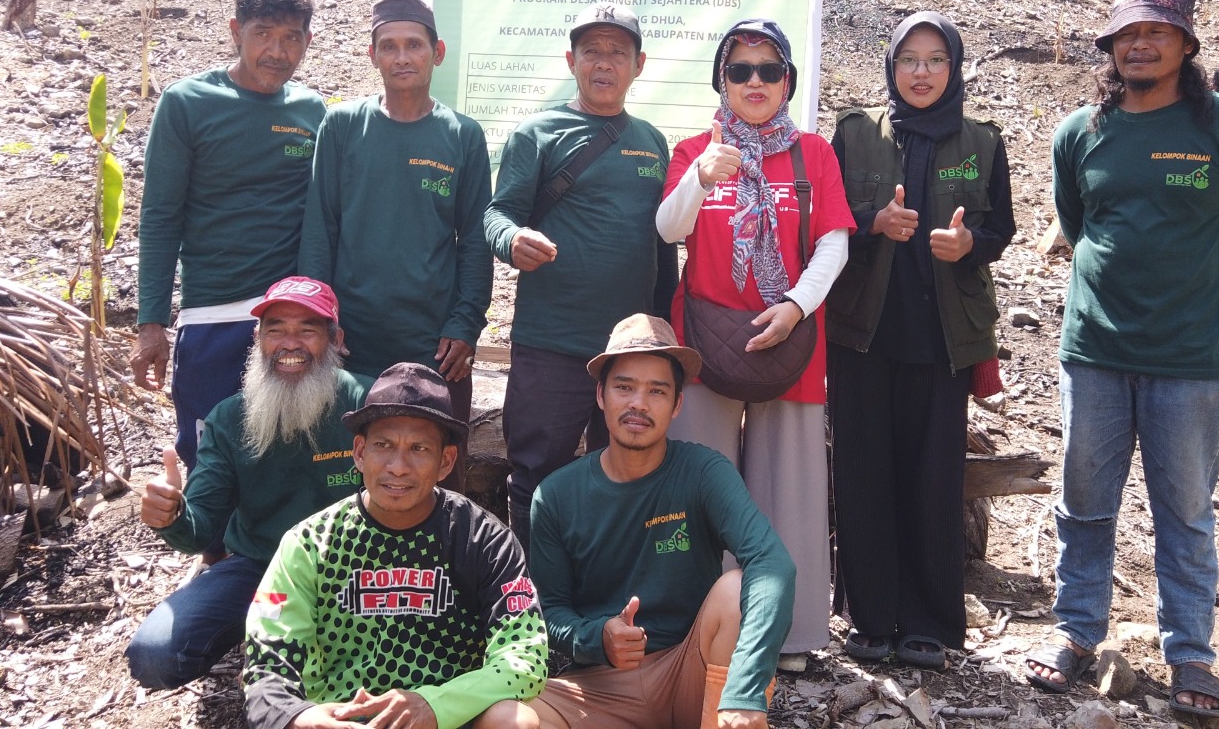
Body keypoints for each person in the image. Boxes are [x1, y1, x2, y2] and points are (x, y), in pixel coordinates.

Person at [1025, 0, 1219, 719]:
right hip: (1095, 350)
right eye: (1127, 34)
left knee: (1185, 512)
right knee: (1084, 503)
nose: (1139, 44)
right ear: (1109, 45)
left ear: (1186, 44)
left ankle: (1191, 655)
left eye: (1156, 33)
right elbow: (1076, 224)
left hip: (1190, 361)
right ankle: (1075, 633)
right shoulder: (1082, 132)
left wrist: (1216, 337)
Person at [655, 18, 853, 672]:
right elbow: (667, 228)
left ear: (788, 80)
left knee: (786, 490)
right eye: (740, 70)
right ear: (721, 81)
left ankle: (789, 635)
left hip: (788, 342)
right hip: (706, 345)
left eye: (769, 69)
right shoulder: (694, 150)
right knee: (701, 487)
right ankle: (701, 629)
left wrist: (796, 308)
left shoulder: (813, 155)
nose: (755, 81)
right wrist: (702, 178)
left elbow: (834, 242)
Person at [824, 12, 1015, 671]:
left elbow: (1001, 231)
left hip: (942, 342)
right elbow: (825, 225)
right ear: (891, 66)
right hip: (862, 335)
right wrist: (871, 223)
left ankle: (930, 621)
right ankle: (871, 619)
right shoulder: (854, 136)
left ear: (954, 68)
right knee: (863, 473)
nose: (922, 72)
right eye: (909, 59)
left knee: (934, 480)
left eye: (936, 59)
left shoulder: (983, 143)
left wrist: (969, 245)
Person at [505, 313, 793, 729]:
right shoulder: (555, 495)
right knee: (505, 718)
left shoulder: (702, 472)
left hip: (689, 669)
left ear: (677, 405)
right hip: (599, 687)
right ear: (601, 395)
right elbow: (549, 612)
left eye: (656, 391)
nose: (638, 403)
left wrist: (744, 689)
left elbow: (772, 562)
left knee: (737, 588)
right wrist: (597, 637)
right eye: (624, 387)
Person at [243, 362, 548, 729]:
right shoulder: (309, 544)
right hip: (341, 719)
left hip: (448, 717)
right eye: (383, 445)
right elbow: (265, 662)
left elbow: (525, 656)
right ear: (359, 452)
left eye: (418, 448)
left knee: (516, 721)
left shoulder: (484, 541)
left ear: (445, 461)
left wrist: (434, 705)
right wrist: (302, 718)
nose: (398, 467)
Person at [483, 1, 675, 551]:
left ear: (640, 65)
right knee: (535, 477)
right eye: (592, 50)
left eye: (619, 52)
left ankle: (606, 602)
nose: (604, 63)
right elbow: (498, 213)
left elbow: (661, 241)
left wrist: (664, 331)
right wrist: (511, 241)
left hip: (628, 353)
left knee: (625, 476)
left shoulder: (652, 142)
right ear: (572, 60)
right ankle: (529, 605)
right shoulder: (537, 133)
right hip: (552, 343)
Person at [127, 277, 372, 689]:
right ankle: (268, 637)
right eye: (276, 329)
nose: (289, 344)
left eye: (307, 330)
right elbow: (199, 530)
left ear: (336, 339)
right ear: (257, 339)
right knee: (154, 656)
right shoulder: (229, 419)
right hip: (260, 567)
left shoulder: (370, 403)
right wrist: (172, 516)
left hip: (357, 571)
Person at [132, 0, 326, 483]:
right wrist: (151, 322)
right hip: (212, 311)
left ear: (307, 41)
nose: (277, 51)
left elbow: (319, 218)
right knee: (209, 448)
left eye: (291, 38)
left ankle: (272, 558)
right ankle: (213, 554)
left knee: (286, 451)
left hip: (288, 318)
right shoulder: (187, 103)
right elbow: (159, 217)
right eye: (263, 34)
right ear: (235, 31)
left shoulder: (312, 111)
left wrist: (322, 308)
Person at [298, 0, 491, 423]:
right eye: (388, 46)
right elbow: (319, 229)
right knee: (351, 466)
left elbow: (475, 241)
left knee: (439, 469)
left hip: (437, 347)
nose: (402, 57)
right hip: (350, 341)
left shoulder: (462, 135)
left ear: (436, 53)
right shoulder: (343, 125)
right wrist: (319, 321)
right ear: (373, 56)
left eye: (414, 45)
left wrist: (465, 324)